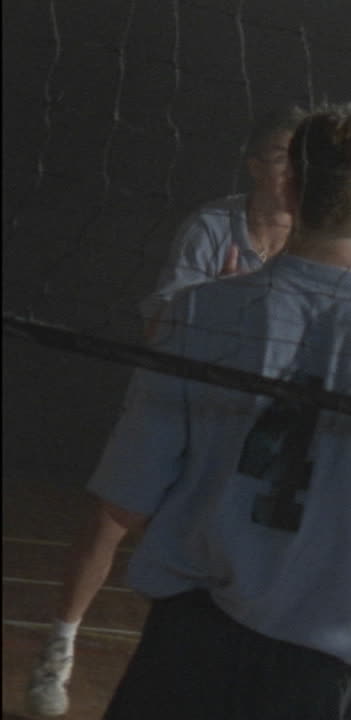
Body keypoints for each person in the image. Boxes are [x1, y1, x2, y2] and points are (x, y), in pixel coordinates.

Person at [84, 104, 351, 719]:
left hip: (188, 656)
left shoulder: (199, 315)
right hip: (321, 681)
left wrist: (225, 534)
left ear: (292, 189)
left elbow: (123, 502)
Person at [25, 106, 305, 717]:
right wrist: (221, 302)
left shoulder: (314, 238)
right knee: (112, 518)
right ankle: (57, 652)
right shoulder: (212, 226)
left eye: (303, 157)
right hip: (169, 395)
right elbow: (159, 325)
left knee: (220, 543)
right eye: (284, 154)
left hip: (245, 414)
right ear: (257, 164)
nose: (294, 170)